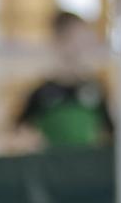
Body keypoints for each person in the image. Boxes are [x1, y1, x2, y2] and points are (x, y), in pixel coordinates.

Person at [13, 10, 113, 150]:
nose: (78, 47)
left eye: (82, 39)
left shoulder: (95, 88)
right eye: (72, 39)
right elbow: (18, 132)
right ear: (58, 40)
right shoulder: (42, 92)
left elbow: (109, 132)